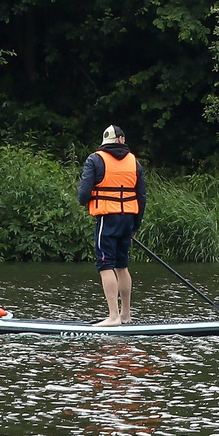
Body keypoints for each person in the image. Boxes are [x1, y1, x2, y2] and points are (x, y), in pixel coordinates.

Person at [78, 124, 145, 325]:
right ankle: (125, 315)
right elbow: (141, 197)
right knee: (122, 266)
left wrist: (87, 201)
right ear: (122, 140)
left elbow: (83, 194)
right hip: (128, 219)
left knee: (105, 265)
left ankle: (113, 317)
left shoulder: (95, 159)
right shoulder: (135, 162)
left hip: (107, 218)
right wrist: (135, 226)